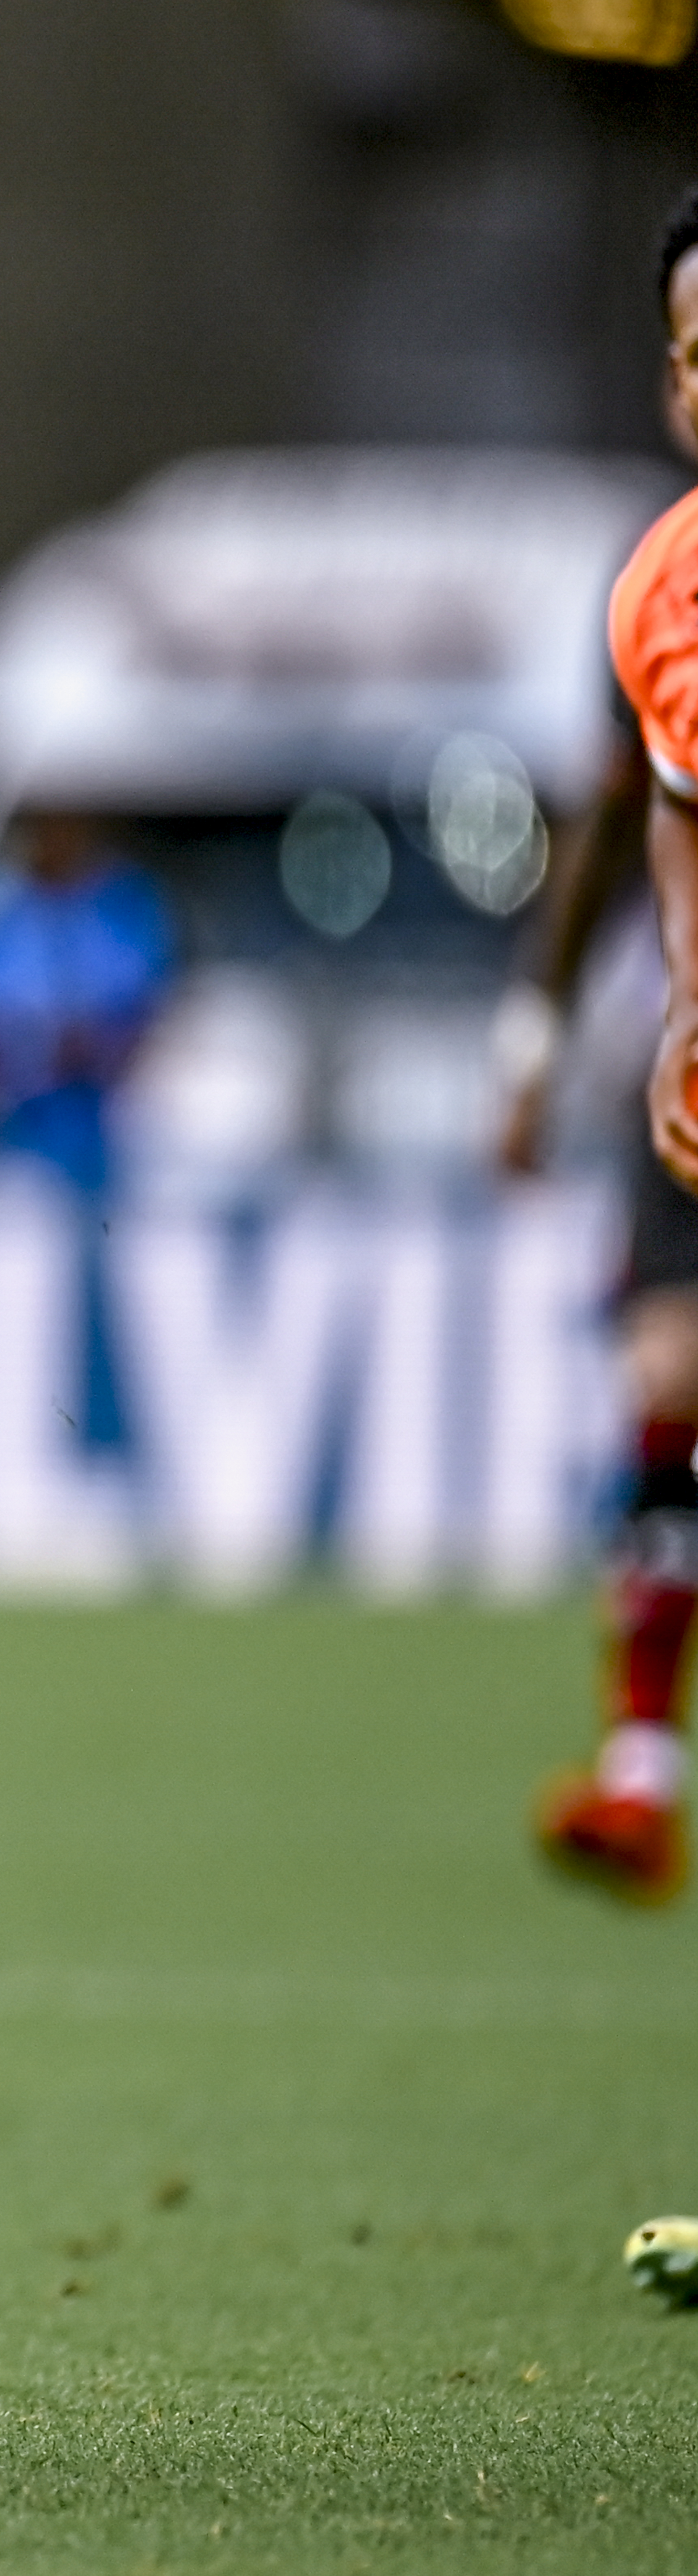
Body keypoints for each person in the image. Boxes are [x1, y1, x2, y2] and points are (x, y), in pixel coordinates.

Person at [541, 184, 698, 1908]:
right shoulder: (656, 592)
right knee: (665, 1376)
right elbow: (646, 805)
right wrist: (667, 1007)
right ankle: (638, 1766)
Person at [0, 808, 172, 1192]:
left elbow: (146, 999)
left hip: (102, 1115)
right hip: (5, 1110)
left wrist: (100, 1046)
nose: (58, 840)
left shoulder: (125, 906)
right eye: (46, 829)